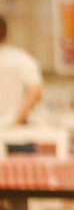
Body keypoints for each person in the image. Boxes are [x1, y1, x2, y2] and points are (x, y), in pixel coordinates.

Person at [0, 15, 44, 144]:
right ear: (7, 35)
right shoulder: (21, 59)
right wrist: (17, 120)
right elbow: (36, 91)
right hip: (16, 133)